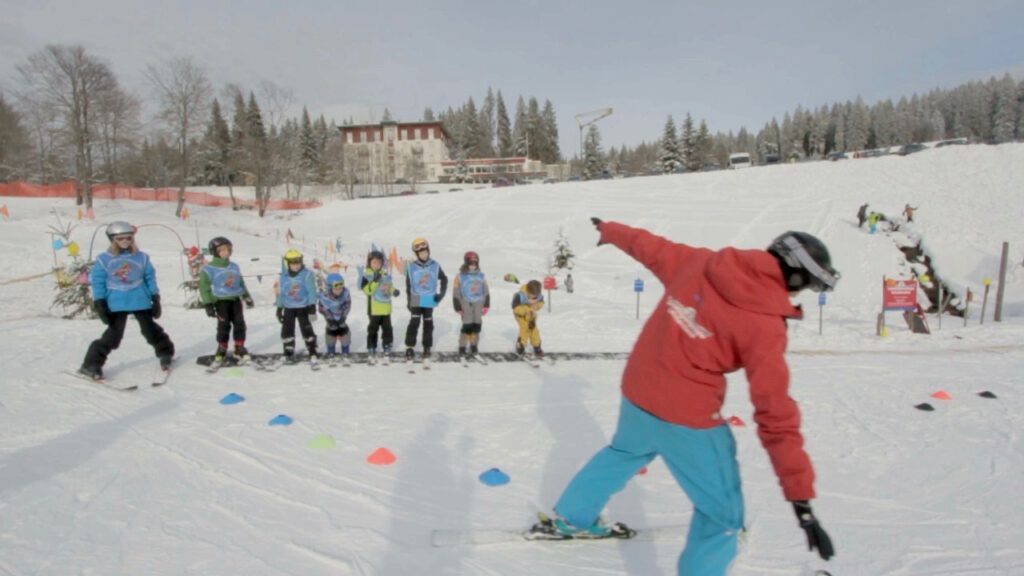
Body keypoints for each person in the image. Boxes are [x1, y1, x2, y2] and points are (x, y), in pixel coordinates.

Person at [533, 218, 837, 575]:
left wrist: (613, 231)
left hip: (639, 389)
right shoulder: (765, 323)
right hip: (687, 418)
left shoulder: (704, 262)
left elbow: (651, 248)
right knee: (722, 515)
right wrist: (801, 501)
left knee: (624, 452)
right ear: (796, 276)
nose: (796, 295)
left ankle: (573, 517)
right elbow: (775, 413)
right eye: (803, 287)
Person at [78, 221, 175, 380]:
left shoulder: (141, 257)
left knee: (150, 330)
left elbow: (149, 277)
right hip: (116, 301)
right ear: (112, 239)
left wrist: (155, 297)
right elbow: (98, 281)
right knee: (113, 335)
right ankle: (91, 364)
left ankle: (165, 352)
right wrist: (100, 301)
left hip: (139, 298)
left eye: (128, 238)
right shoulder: (104, 259)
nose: (125, 242)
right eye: (120, 239)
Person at [199, 236, 255, 364]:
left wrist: (246, 296)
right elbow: (204, 288)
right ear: (215, 251)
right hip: (221, 302)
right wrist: (208, 304)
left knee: (240, 324)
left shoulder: (234, 266)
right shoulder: (209, 269)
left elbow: (240, 282)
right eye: (222, 250)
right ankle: (222, 347)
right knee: (223, 326)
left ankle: (239, 347)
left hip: (235, 300)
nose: (225, 252)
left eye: (227, 249)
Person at [403, 237, 448, 361]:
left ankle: (427, 346)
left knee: (428, 323)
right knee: (414, 322)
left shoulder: (435, 265)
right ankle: (410, 346)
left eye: (425, 251)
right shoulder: (411, 267)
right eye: (420, 253)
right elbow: (408, 285)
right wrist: (409, 301)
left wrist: (441, 295)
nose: (423, 254)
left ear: (428, 251)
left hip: (429, 298)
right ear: (416, 254)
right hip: (416, 298)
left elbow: (444, 279)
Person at [275, 249, 319, 362]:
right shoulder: (284, 276)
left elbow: (311, 291)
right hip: (289, 308)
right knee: (287, 329)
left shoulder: (306, 274)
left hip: (303, 307)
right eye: (293, 263)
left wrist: (312, 306)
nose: (296, 265)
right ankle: (288, 349)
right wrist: (279, 308)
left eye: (298, 262)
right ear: (288, 263)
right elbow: (281, 293)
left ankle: (312, 349)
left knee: (306, 328)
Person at [360, 250, 399, 360]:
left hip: (386, 308)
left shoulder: (385, 274)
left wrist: (394, 291)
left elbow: (388, 286)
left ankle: (387, 345)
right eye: (374, 262)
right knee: (373, 329)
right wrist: (375, 281)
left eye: (379, 262)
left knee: (388, 329)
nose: (377, 265)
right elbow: (368, 291)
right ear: (369, 262)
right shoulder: (366, 276)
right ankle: (371, 346)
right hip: (374, 309)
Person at [452, 251, 490, 358]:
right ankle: (462, 346)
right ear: (466, 263)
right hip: (465, 302)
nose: (473, 266)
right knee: (467, 325)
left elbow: (486, 290)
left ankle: (474, 345)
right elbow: (455, 291)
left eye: (475, 264)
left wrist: (486, 304)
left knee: (477, 324)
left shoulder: (481, 276)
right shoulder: (460, 276)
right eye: (470, 263)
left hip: (479, 302)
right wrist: (457, 305)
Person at [318, 272, 352, 361]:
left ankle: (345, 351)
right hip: (331, 320)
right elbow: (322, 308)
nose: (339, 291)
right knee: (330, 334)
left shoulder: (345, 293)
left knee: (345, 333)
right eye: (336, 289)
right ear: (330, 287)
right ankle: (331, 352)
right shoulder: (324, 296)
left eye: (341, 288)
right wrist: (329, 319)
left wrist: (343, 317)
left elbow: (348, 305)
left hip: (341, 319)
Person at [511, 279, 544, 357]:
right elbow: (515, 308)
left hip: (531, 315)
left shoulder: (538, 295)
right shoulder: (520, 296)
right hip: (520, 315)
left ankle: (537, 346)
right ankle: (520, 346)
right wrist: (526, 310)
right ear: (528, 291)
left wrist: (537, 306)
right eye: (531, 295)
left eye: (535, 295)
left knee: (534, 329)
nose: (533, 297)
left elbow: (541, 302)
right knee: (525, 329)